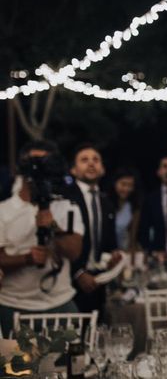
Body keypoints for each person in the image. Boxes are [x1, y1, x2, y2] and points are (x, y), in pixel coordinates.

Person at [0, 141, 84, 333]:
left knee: (72, 363)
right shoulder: (3, 211)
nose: (38, 168)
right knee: (15, 364)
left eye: (45, 162)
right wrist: (26, 259)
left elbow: (74, 252)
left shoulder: (67, 207)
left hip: (60, 304)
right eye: (33, 162)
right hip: (13, 307)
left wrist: (53, 226)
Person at [66, 144, 119, 314]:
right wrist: (78, 273)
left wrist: (113, 256)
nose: (91, 164)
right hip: (70, 284)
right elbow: (60, 243)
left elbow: (109, 242)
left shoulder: (107, 202)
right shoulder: (66, 198)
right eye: (84, 160)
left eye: (95, 160)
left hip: (99, 281)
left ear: (102, 169)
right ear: (74, 170)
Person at [111, 169, 140, 252]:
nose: (126, 189)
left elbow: (132, 237)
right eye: (123, 184)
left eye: (130, 185)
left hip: (123, 252)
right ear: (115, 183)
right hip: (105, 253)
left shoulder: (134, 207)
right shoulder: (105, 203)